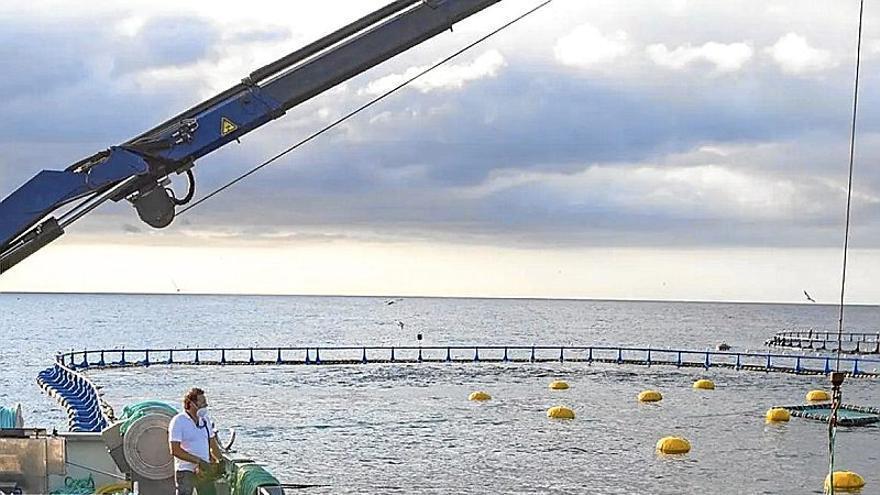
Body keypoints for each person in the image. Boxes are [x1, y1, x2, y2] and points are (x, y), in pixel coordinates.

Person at [169, 388, 223, 495]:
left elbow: (212, 443)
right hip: (185, 471)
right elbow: (175, 450)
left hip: (205, 470)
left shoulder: (205, 420)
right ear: (191, 403)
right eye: (202, 402)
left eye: (205, 402)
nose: (205, 405)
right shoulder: (179, 421)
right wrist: (198, 461)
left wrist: (220, 460)